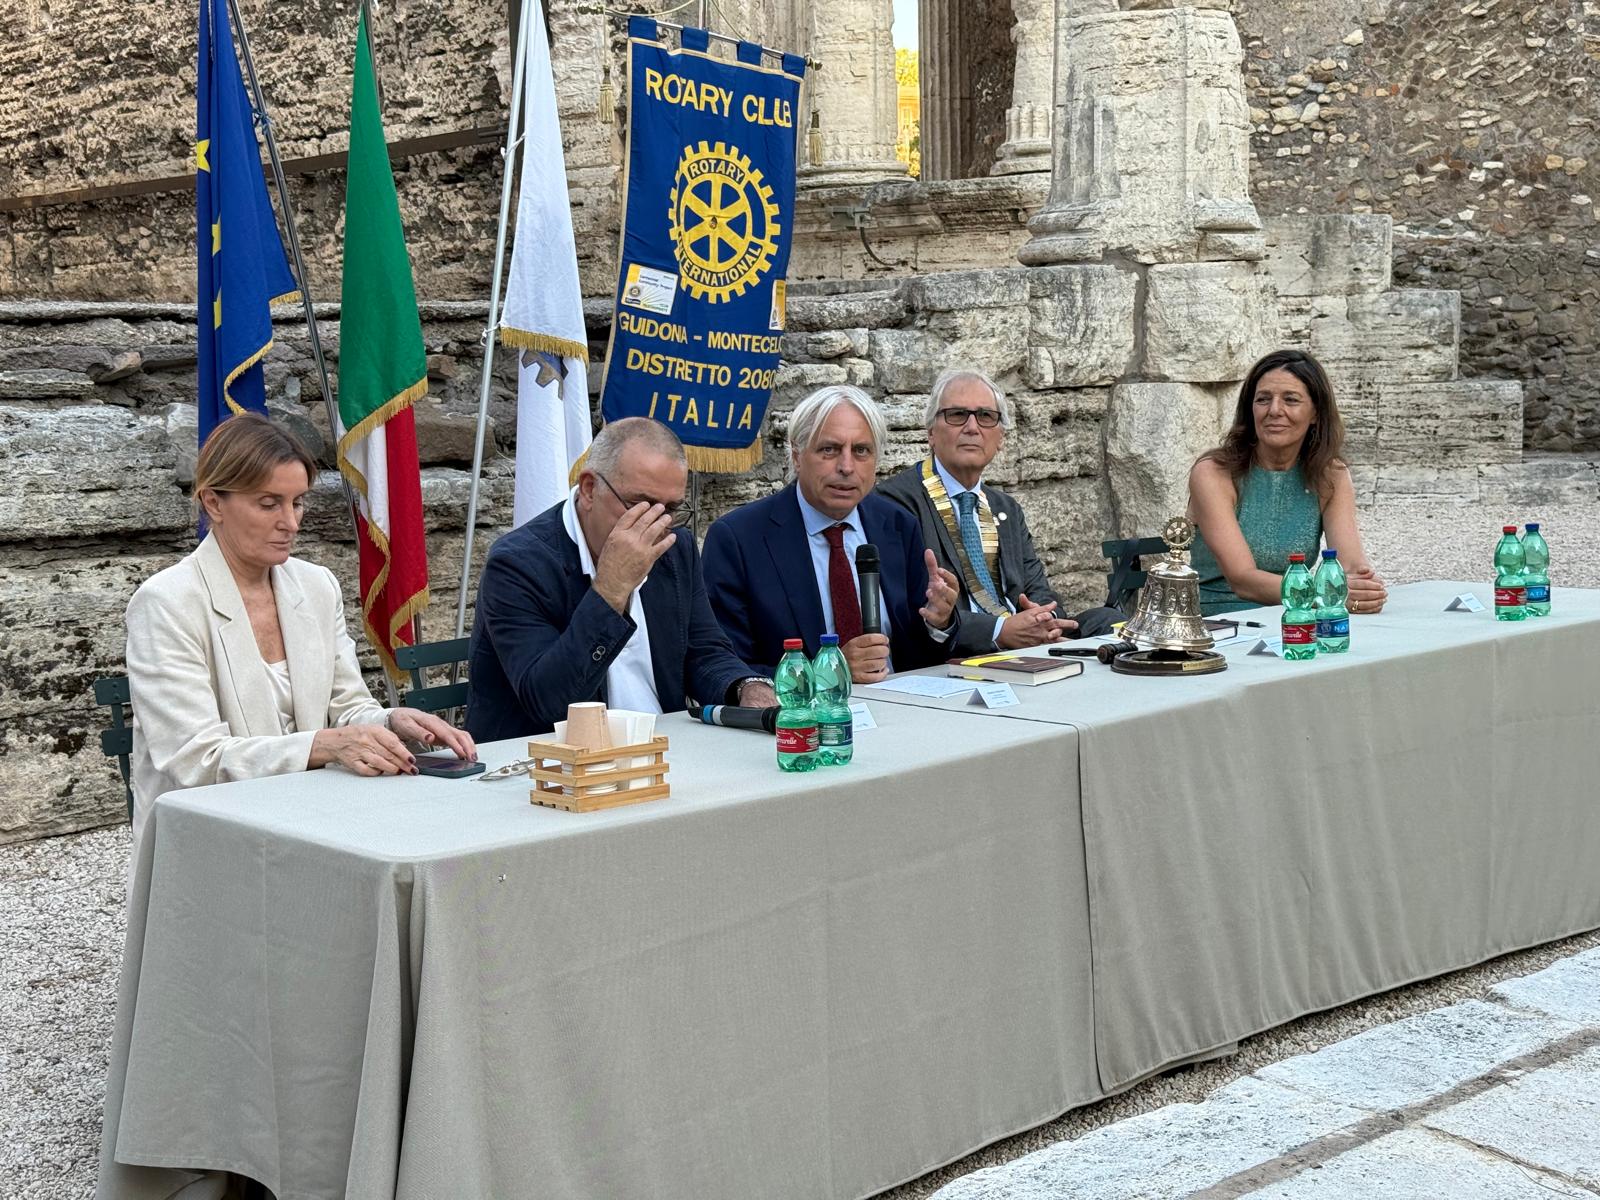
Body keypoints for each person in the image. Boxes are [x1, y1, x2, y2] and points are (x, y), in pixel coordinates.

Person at [124, 413, 475, 850]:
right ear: (213, 503)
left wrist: (390, 723)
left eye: (298, 503)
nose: (291, 523)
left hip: (314, 824)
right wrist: (326, 746)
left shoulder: (317, 586)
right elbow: (196, 760)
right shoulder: (166, 603)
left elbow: (345, 707)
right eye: (269, 504)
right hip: (209, 843)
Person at [465, 418, 775, 741]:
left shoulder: (675, 547)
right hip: (550, 758)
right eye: (641, 506)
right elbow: (549, 703)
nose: (657, 524)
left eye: (671, 509)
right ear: (589, 489)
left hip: (664, 747)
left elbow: (705, 651)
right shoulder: (518, 564)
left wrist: (745, 686)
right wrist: (611, 589)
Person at [702, 385, 961, 683]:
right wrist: (828, 673)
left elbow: (919, 655)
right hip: (802, 710)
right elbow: (726, 668)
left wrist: (939, 623)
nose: (846, 467)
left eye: (861, 451)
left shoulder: (898, 526)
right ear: (796, 455)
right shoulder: (739, 539)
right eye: (829, 449)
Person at [878, 367, 1124, 655]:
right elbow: (915, 611)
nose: (972, 427)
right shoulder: (896, 503)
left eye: (985, 416)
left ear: (1000, 438)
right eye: (957, 415)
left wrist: (1045, 622)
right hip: (958, 650)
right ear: (931, 432)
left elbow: (1038, 589)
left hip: (1026, 644)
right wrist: (1000, 631)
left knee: (1110, 622)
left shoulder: (1005, 508)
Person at [1187, 349, 1388, 615]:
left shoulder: (1331, 474)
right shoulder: (1213, 473)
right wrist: (1325, 594)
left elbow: (1350, 566)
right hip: (1221, 620)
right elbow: (1243, 579)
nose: (1274, 410)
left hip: (1298, 613)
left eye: (1290, 400)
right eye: (1263, 399)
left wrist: (1364, 589)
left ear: (1316, 413)